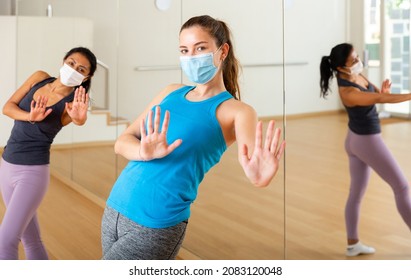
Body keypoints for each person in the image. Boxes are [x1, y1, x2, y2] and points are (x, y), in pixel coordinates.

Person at [101, 15, 286, 260]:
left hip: (155, 223)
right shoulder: (171, 91)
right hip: (116, 206)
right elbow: (122, 142)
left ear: (223, 51)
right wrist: (142, 152)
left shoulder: (237, 112)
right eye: (184, 50)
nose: (191, 56)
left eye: (200, 48)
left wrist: (259, 178)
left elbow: (253, 161)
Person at [0, 47, 97, 260]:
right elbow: (7, 107)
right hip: (6, 163)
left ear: (86, 77)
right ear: (63, 61)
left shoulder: (74, 103)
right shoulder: (39, 78)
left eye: (81, 69)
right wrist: (30, 116)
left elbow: (79, 120)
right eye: (71, 63)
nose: (73, 69)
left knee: (5, 240)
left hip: (32, 173)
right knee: (31, 239)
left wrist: (80, 118)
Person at [320, 42, 411, 257]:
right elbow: (380, 99)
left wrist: (385, 92)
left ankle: (353, 244)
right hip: (366, 141)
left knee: (356, 194)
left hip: (355, 138)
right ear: (341, 67)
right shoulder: (347, 91)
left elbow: (379, 94)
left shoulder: (358, 77)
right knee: (402, 187)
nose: (358, 61)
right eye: (353, 60)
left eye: (357, 56)